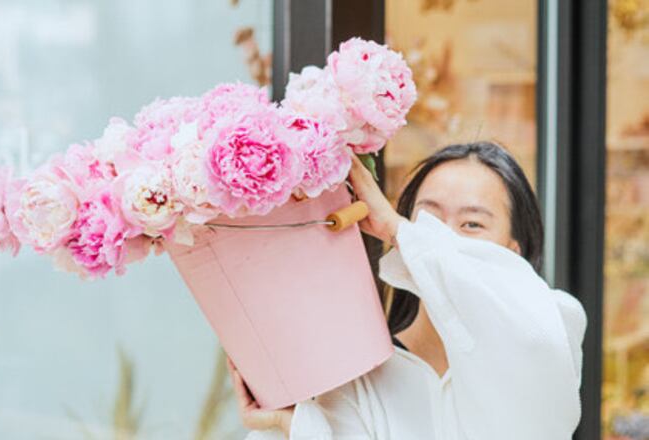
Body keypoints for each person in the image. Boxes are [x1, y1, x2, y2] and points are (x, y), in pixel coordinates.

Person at [228, 141, 587, 440]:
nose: (442, 238)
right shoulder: (358, 375)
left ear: (512, 253)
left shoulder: (548, 334)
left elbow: (539, 338)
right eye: (427, 221)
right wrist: (291, 424)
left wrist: (404, 232)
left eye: (472, 224)